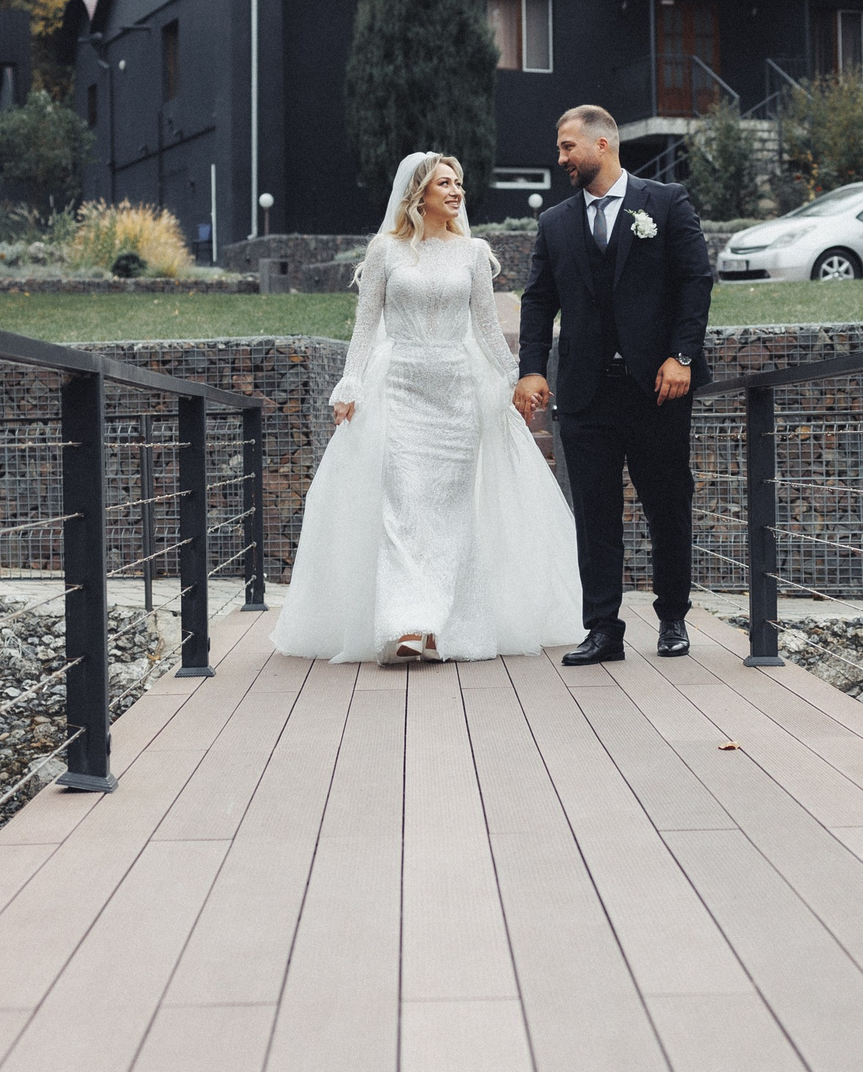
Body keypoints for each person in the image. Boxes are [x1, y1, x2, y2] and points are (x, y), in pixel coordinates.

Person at [273, 151, 582, 664]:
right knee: (403, 508)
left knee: (450, 512)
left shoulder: (473, 253)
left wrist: (514, 381)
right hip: (399, 392)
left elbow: (486, 327)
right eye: (445, 183)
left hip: (456, 397)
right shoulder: (385, 252)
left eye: (458, 182)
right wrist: (349, 385)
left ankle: (442, 621)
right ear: (420, 194)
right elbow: (365, 326)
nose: (457, 191)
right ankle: (409, 625)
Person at [515, 105, 713, 664]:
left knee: (667, 503)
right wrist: (532, 367)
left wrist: (682, 356)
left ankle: (672, 617)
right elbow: (538, 301)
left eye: (567, 147)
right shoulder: (554, 223)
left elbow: (695, 282)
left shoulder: (666, 203)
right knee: (595, 514)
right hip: (584, 392)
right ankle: (603, 628)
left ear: (602, 145)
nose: (561, 159)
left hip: (657, 387)